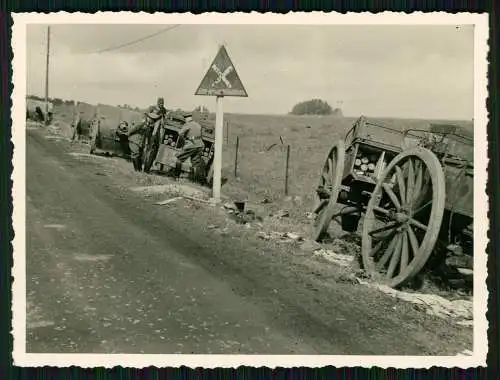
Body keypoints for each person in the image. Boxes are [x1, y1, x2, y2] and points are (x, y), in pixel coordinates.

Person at [173, 112, 205, 181]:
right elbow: (201, 136)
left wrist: (184, 136)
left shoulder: (188, 124)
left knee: (179, 159)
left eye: (185, 119)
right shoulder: (198, 125)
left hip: (191, 144)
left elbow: (180, 133)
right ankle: (194, 180)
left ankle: (176, 177)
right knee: (195, 163)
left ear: (186, 118)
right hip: (200, 145)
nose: (185, 120)